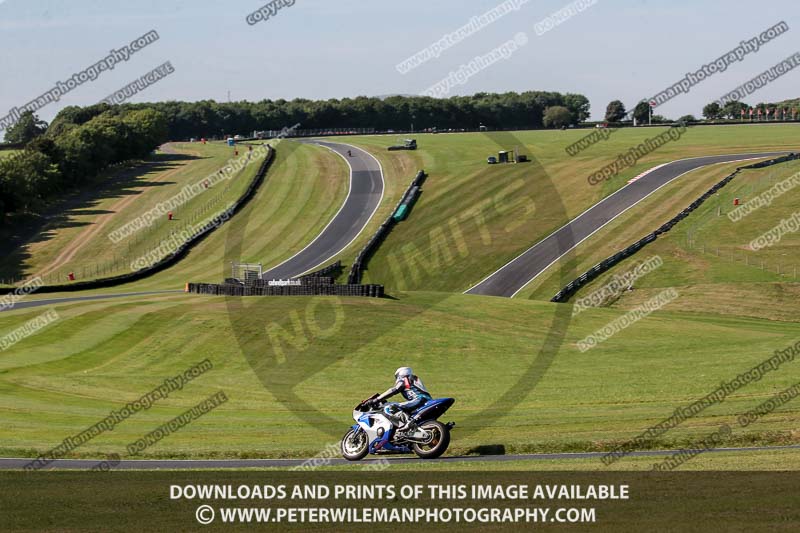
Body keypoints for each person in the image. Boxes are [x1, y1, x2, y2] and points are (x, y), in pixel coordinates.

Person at [368, 367, 432, 432]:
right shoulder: (413, 378)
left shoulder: (404, 379)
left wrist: (377, 399)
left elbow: (394, 390)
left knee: (390, 407)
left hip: (419, 399)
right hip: (426, 400)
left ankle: (406, 424)